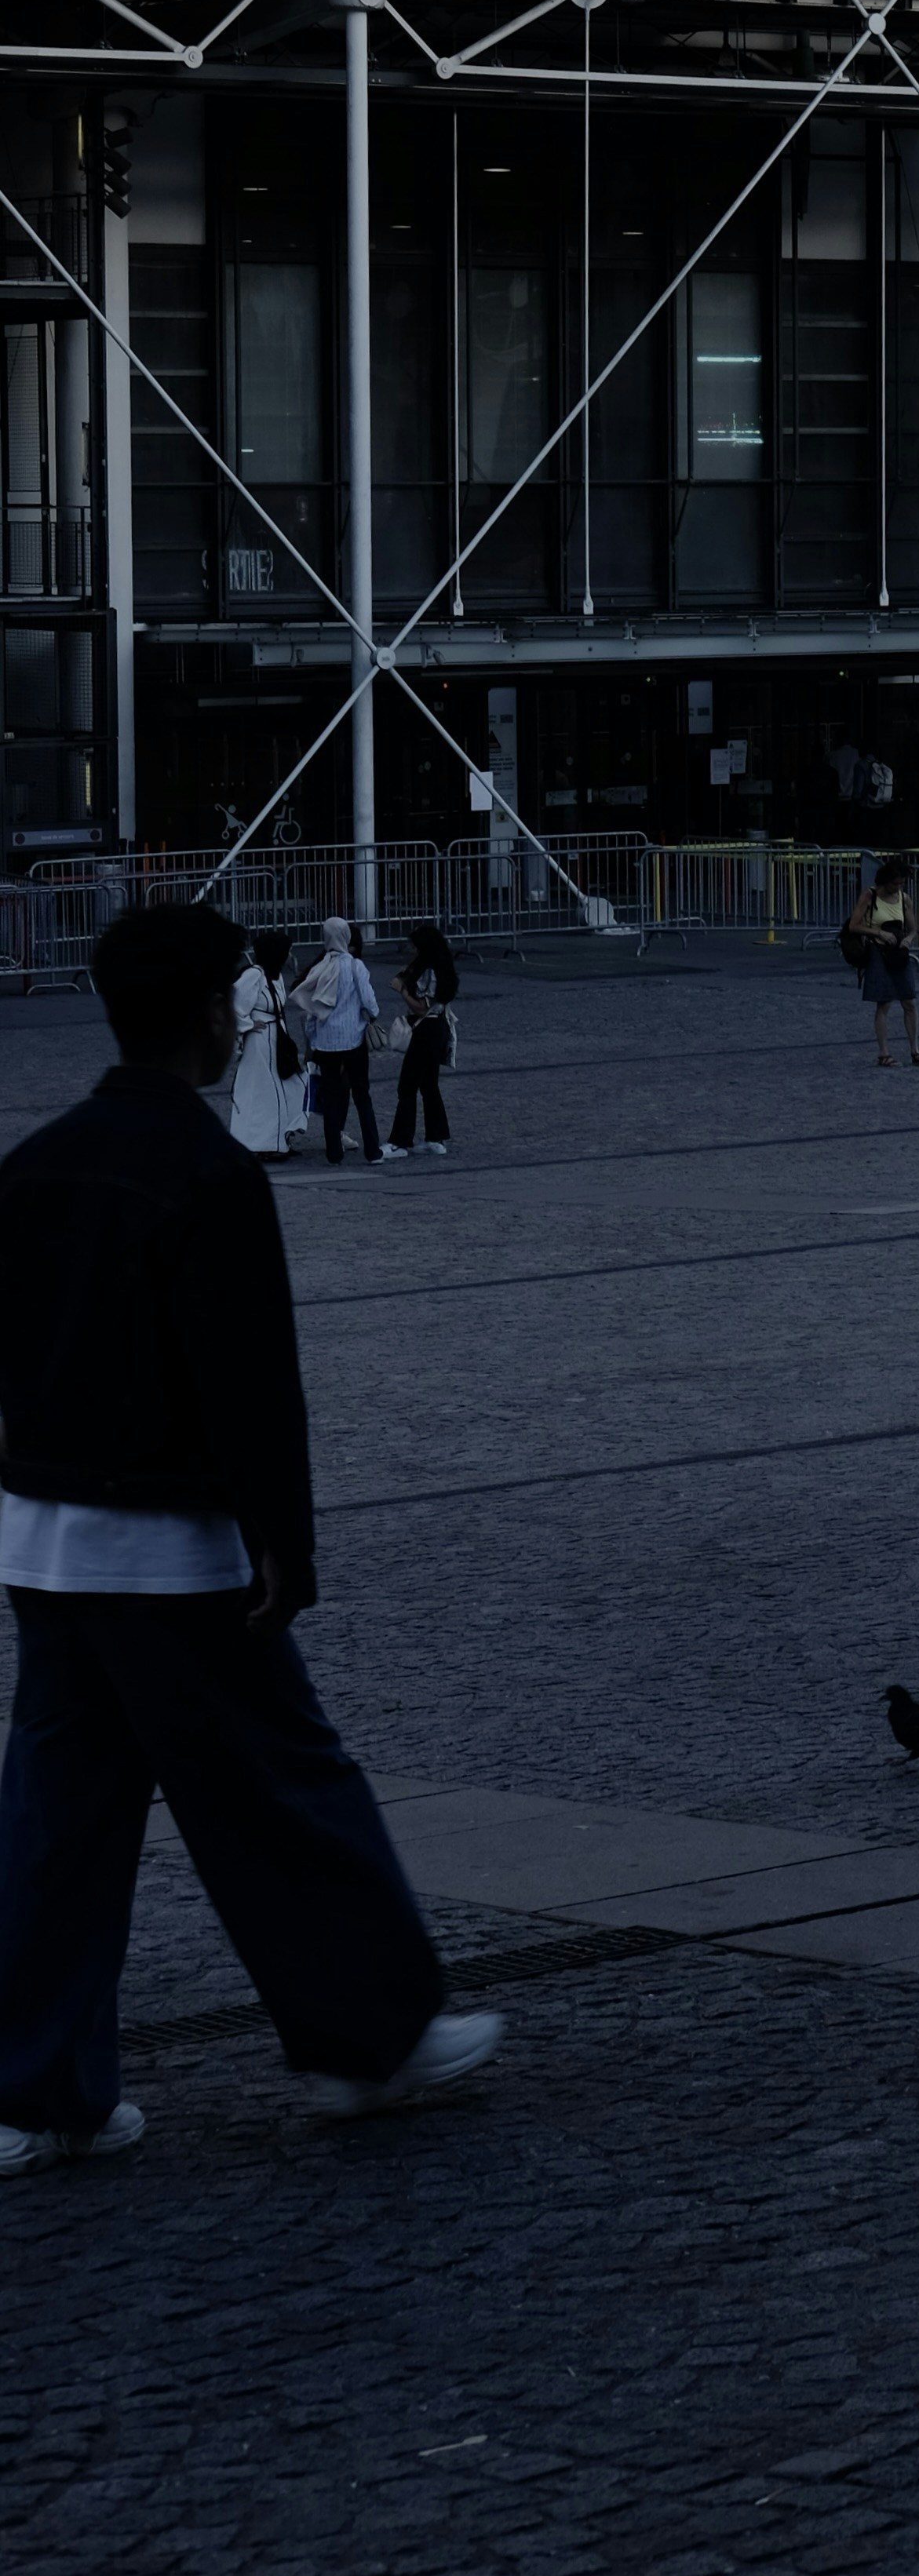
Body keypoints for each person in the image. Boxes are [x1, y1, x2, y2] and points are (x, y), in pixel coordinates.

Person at [0, 902, 501, 2176]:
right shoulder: (208, 1174)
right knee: (286, 1793)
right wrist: (285, 1543)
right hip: (169, 1554)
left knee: (60, 1824)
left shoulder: (39, 1163)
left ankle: (37, 2088)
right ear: (212, 1016)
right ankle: (373, 2040)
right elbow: (248, 1387)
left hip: (47, 1546)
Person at [295, 915, 381, 1164]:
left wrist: (313, 1036)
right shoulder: (355, 966)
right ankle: (373, 1151)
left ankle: (334, 1152)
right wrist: (373, 1015)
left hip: (326, 1042)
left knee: (332, 1096)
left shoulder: (319, 968)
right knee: (362, 1094)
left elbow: (311, 1007)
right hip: (353, 1039)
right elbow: (368, 1000)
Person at [379, 924, 459, 1161]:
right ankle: (436, 1138)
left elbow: (422, 1008)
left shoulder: (430, 971)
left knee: (408, 1085)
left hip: (427, 1029)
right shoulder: (442, 967)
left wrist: (403, 990)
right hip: (437, 1028)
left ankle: (400, 1141)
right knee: (428, 1085)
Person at [849, 854, 919, 1067]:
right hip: (878, 952)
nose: (898, 887)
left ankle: (915, 1050)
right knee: (884, 1002)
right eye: (895, 883)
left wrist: (909, 940)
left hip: (899, 952)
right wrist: (878, 933)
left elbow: (913, 929)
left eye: (901, 883)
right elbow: (853, 925)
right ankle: (884, 1053)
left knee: (909, 1001)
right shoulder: (869, 896)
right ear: (885, 881)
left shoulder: (904, 898)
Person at [223, 930, 292, 1159]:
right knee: (258, 1091)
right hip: (260, 1041)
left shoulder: (275, 975)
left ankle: (275, 1141)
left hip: (275, 1038)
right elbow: (234, 1002)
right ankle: (256, 1143)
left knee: (277, 1091)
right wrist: (248, 1024)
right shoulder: (254, 975)